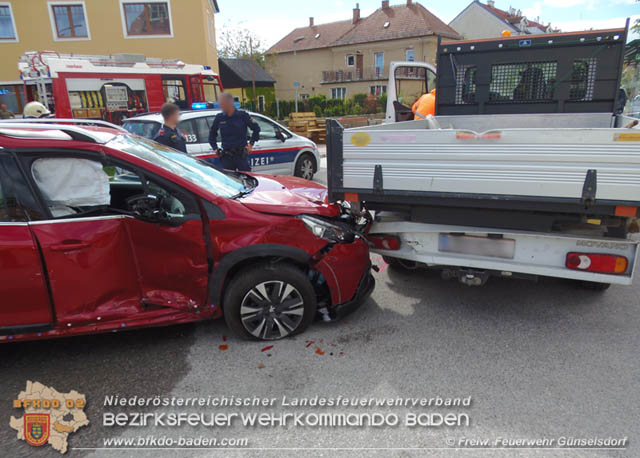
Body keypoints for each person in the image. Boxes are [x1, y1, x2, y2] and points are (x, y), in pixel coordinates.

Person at [209, 93, 260, 172]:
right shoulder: (220, 117)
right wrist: (215, 148)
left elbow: (256, 129)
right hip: (226, 156)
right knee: (229, 181)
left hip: (241, 155)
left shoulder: (242, 115)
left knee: (246, 179)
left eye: (223, 103)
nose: (221, 106)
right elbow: (212, 134)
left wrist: (251, 144)